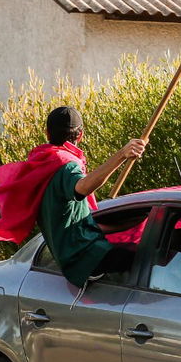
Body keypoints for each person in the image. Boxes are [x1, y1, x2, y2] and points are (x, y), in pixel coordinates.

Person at [33, 106, 148, 288]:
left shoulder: (41, 166)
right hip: (90, 259)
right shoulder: (64, 165)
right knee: (157, 259)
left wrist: (133, 222)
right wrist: (122, 154)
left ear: (47, 133)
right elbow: (83, 187)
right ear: (80, 135)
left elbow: (74, 225)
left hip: (78, 263)